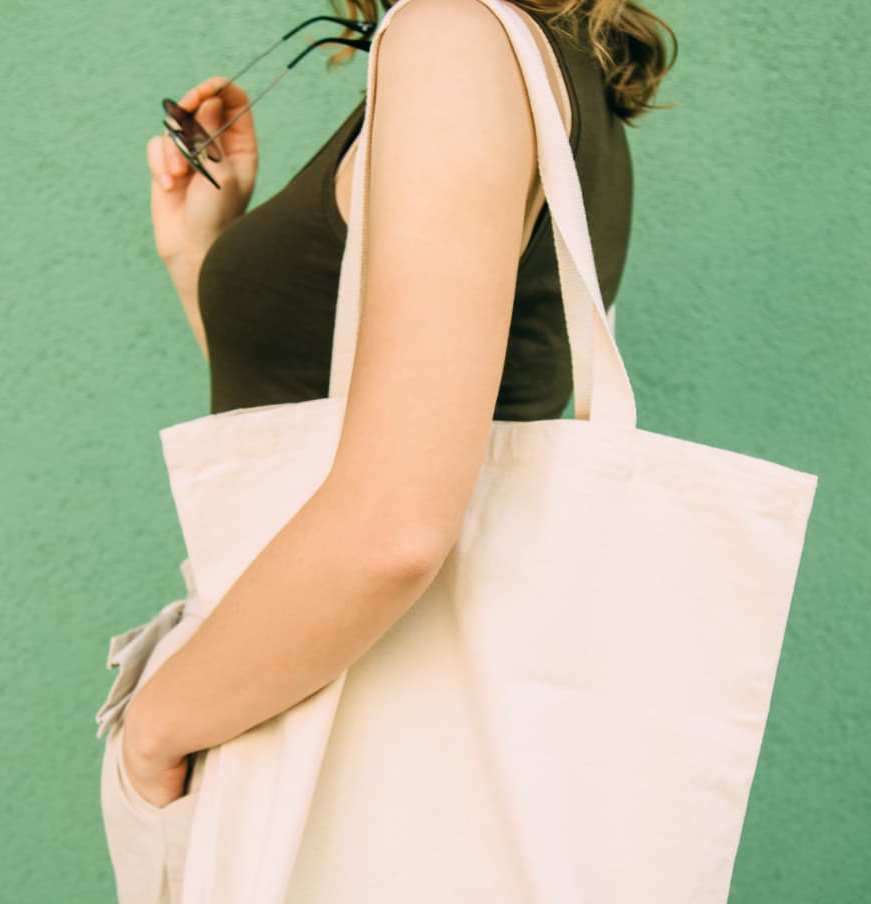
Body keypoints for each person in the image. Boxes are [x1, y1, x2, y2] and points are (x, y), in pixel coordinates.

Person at [127, 0, 674, 811]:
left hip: (338, 762)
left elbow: (394, 528)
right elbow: (338, 430)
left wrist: (154, 728)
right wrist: (198, 253)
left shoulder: (455, 39)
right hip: (389, 754)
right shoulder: (552, 65)